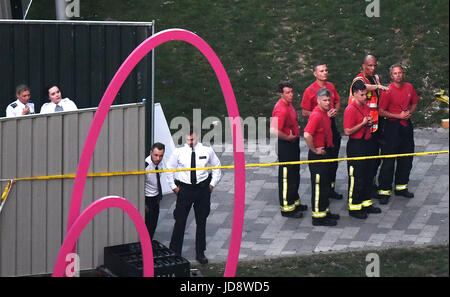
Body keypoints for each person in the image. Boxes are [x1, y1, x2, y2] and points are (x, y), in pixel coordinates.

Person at [166, 128, 221, 264]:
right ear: (185, 138)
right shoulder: (179, 152)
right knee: (180, 221)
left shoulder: (206, 150)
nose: (191, 142)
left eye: (193, 139)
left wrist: (212, 185)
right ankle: (175, 251)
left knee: (201, 222)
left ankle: (200, 252)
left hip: (202, 189)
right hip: (185, 189)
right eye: (188, 139)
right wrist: (174, 188)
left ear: (198, 137)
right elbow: (169, 170)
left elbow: (217, 166)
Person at [377, 64, 419, 204]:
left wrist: (410, 113)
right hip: (391, 127)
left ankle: (401, 187)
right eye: (395, 73)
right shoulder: (387, 91)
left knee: (406, 158)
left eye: (400, 73)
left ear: (403, 74)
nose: (398, 75)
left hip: (406, 127)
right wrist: (398, 115)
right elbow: (381, 111)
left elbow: (414, 102)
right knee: (388, 161)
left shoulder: (409, 87)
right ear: (391, 76)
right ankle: (384, 191)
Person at [348, 55, 389, 195]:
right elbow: (363, 87)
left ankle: (370, 184)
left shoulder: (376, 77)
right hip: (364, 127)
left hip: (376, 125)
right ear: (363, 66)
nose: (372, 68)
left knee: (375, 159)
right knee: (366, 161)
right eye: (369, 66)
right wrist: (378, 86)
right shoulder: (359, 80)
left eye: (374, 65)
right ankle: (366, 188)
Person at [301, 63, 343, 200]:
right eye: (321, 71)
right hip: (320, 126)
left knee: (333, 161)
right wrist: (321, 113)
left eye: (326, 70)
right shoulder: (310, 91)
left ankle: (330, 188)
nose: (325, 73)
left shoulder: (330, 86)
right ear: (315, 74)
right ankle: (324, 190)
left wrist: (335, 110)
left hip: (331, 125)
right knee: (323, 162)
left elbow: (337, 101)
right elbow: (304, 111)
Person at [343, 80, 382, 219]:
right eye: (362, 95)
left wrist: (369, 122)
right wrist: (363, 123)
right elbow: (347, 131)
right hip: (356, 145)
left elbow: (366, 120)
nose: (365, 97)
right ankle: (354, 207)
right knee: (357, 177)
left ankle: (366, 203)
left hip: (367, 143)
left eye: (366, 94)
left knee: (367, 174)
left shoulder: (365, 105)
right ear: (354, 94)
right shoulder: (350, 109)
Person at [270, 81, 307, 219]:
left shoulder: (288, 104)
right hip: (286, 145)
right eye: (287, 93)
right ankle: (287, 208)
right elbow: (273, 130)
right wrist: (287, 137)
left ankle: (294, 201)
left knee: (294, 174)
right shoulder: (281, 108)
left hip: (292, 143)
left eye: (291, 92)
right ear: (281, 94)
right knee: (287, 176)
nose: (291, 95)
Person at [304, 88, 340, 226]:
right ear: (318, 101)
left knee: (325, 186)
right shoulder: (317, 115)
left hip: (326, 155)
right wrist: (315, 150)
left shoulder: (325, 113)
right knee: (319, 187)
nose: (327, 103)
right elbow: (307, 134)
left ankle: (325, 211)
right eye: (324, 100)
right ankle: (318, 218)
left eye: (329, 100)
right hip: (318, 158)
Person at [144, 142, 165, 240]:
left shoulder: (160, 163)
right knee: (146, 227)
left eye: (161, 156)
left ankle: (149, 245)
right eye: (156, 155)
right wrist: (143, 203)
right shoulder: (146, 165)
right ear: (151, 153)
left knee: (153, 225)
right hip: (147, 199)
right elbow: (140, 186)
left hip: (156, 198)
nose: (158, 158)